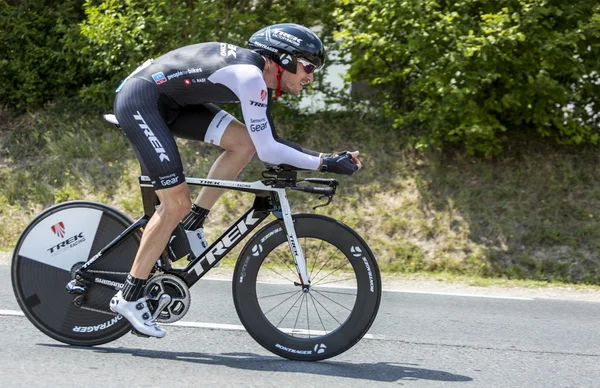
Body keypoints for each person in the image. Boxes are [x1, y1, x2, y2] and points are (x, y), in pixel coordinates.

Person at [108, 23, 362, 337]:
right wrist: (324, 162)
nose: (311, 76)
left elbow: (266, 142)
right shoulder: (251, 77)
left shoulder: (257, 78)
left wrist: (322, 159)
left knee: (244, 143)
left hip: (169, 102)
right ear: (283, 58)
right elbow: (271, 151)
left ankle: (193, 222)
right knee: (174, 203)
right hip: (141, 101)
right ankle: (129, 296)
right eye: (308, 66)